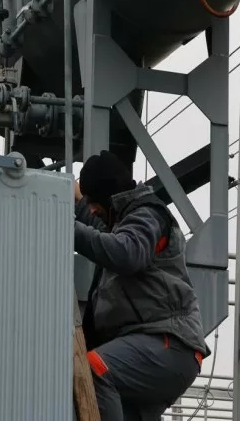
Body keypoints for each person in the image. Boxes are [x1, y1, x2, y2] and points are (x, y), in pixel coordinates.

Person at [73, 150, 209, 420]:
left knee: (93, 370)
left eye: (92, 201)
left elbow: (125, 253)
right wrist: (67, 200)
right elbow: (100, 229)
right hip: (156, 347)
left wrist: (65, 227)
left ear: (108, 195)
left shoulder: (148, 215)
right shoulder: (124, 222)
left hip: (168, 344)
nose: (90, 209)